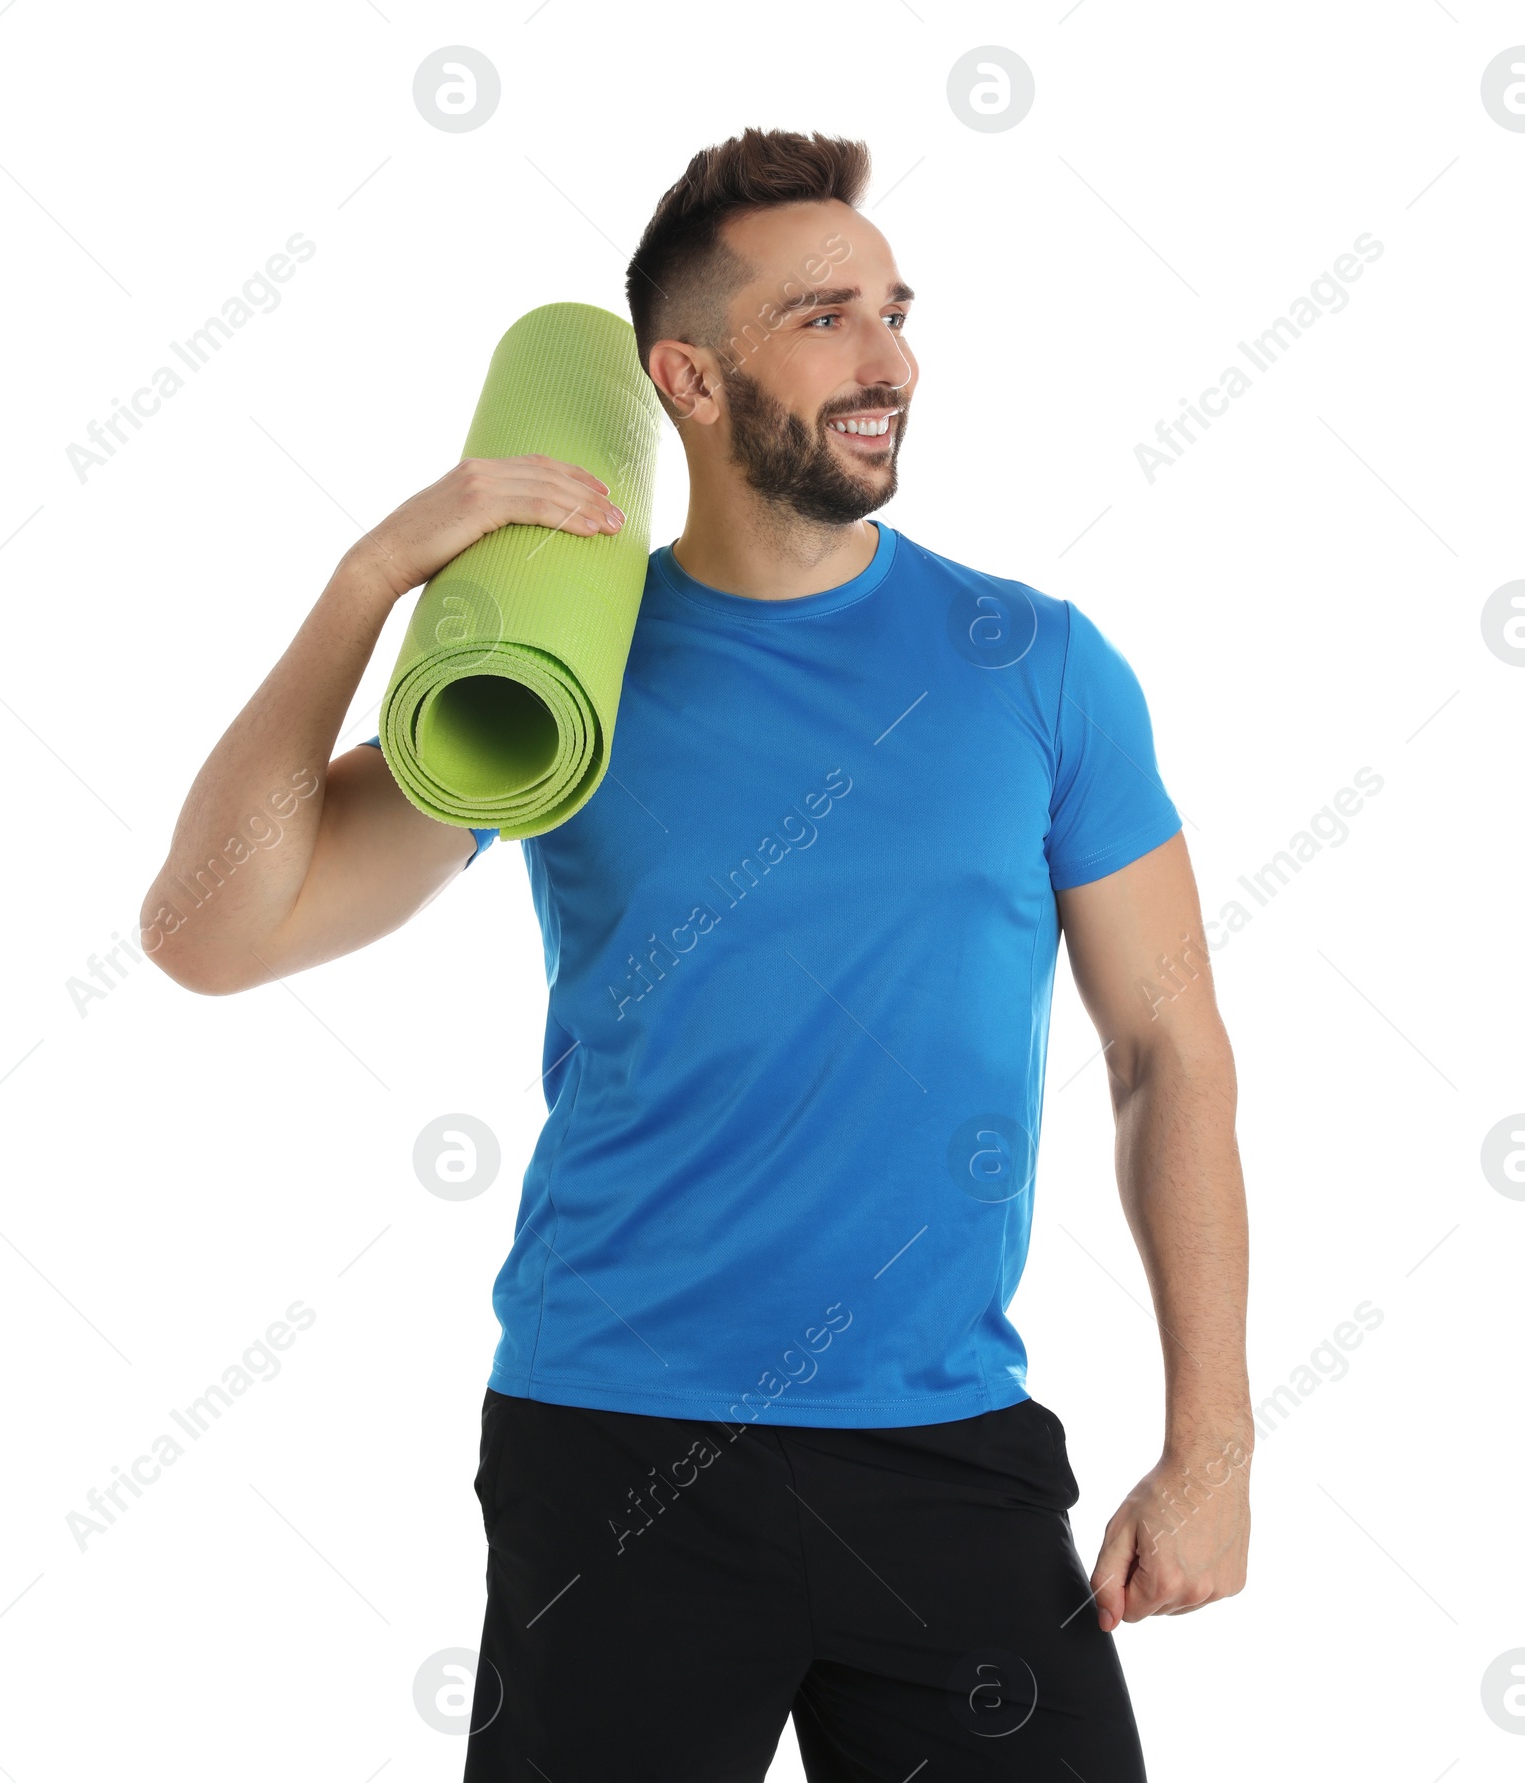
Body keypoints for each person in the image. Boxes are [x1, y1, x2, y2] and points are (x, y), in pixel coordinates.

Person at [143, 127, 1252, 1780]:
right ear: (690, 378)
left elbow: (1172, 1052)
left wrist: (1211, 1447)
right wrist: (371, 581)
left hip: (945, 1449)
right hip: (617, 1454)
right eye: (823, 318)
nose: (891, 360)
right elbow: (209, 933)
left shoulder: (1038, 667)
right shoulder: (565, 667)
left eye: (894, 308)